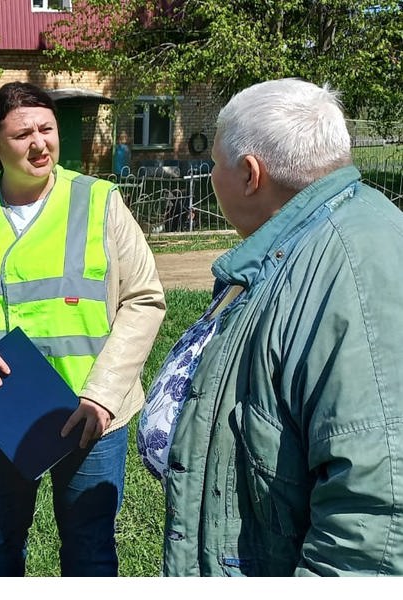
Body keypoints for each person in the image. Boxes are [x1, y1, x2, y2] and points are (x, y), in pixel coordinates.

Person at [137, 78, 403, 576]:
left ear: (250, 175)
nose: (211, 174)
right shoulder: (301, 240)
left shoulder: (358, 266)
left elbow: (376, 514)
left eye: (215, 163)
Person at [0, 81, 165, 576]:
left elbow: (145, 298)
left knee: (89, 547)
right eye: (22, 133)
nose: (39, 142)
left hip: (90, 412)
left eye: (46, 129)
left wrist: (105, 394)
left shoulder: (99, 202)